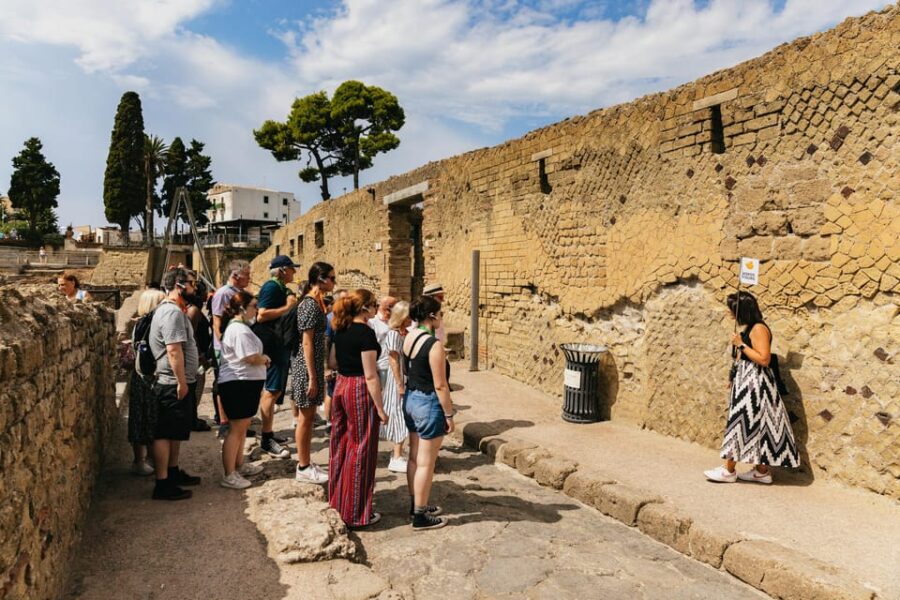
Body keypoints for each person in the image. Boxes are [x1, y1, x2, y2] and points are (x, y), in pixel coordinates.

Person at [705, 291, 799, 484]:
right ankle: (761, 472)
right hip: (746, 381)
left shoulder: (759, 329)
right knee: (758, 426)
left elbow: (763, 359)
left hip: (755, 384)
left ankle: (729, 470)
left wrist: (740, 345)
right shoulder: (749, 328)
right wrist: (733, 376)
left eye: (732, 308)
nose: (729, 312)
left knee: (741, 423)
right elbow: (744, 358)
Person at [328, 289, 388, 528]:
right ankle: (355, 512)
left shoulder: (341, 329)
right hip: (359, 388)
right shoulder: (365, 333)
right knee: (362, 447)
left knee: (340, 443)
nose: (375, 309)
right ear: (365, 308)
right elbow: (371, 375)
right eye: (373, 305)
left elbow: (332, 361)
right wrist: (381, 409)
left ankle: (338, 502)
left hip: (341, 385)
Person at [148, 268, 202, 500]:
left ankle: (172, 472)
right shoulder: (172, 313)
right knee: (165, 432)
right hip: (171, 383)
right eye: (191, 283)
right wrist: (181, 382)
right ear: (179, 285)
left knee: (175, 433)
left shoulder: (173, 311)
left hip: (176, 382)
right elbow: (173, 350)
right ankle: (162, 484)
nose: (194, 288)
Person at [403, 295, 453, 530]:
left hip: (411, 400)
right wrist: (449, 415)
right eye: (440, 314)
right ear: (432, 316)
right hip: (428, 403)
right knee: (426, 463)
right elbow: (440, 385)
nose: (442, 317)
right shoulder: (434, 345)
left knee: (414, 456)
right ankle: (421, 516)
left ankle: (416, 504)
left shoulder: (410, 337)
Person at [217, 291, 268, 489]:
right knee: (236, 430)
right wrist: (264, 359)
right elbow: (249, 357)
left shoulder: (241, 327)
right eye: (253, 305)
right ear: (241, 308)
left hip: (244, 383)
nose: (256, 309)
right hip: (238, 383)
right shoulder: (238, 330)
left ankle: (238, 465)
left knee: (242, 428)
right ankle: (229, 474)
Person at [291, 262, 335, 485]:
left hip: (313, 366)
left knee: (307, 418)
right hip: (307, 367)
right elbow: (307, 342)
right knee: (305, 419)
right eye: (332, 278)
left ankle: (306, 462)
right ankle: (303, 466)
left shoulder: (316, 301)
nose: (334, 283)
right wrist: (313, 376)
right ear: (321, 279)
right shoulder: (309, 305)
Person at [255, 255, 299, 459]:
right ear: (282, 270)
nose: (294, 272)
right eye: (291, 268)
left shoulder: (280, 287)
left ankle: (269, 432)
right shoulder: (271, 287)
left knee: (276, 390)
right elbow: (261, 315)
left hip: (279, 344)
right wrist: (288, 307)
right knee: (271, 391)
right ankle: (266, 438)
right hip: (273, 344)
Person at [127, 288, 166, 476]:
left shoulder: (140, 323)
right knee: (146, 418)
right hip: (148, 376)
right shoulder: (150, 324)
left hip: (140, 374)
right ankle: (141, 461)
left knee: (143, 417)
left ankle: (146, 459)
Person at [211, 260, 251, 437]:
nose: (249, 278)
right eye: (247, 275)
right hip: (226, 348)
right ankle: (225, 422)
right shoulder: (223, 294)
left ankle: (237, 421)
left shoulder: (239, 293)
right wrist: (226, 346)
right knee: (225, 384)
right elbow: (217, 323)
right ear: (235, 275)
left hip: (237, 346)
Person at [381, 300, 411, 473]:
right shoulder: (393, 334)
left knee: (402, 413)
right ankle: (397, 455)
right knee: (398, 414)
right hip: (396, 378)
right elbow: (393, 361)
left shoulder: (404, 333)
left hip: (403, 377)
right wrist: (399, 384)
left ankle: (399, 452)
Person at [324, 289, 348, 433]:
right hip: (334, 363)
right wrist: (326, 367)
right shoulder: (330, 318)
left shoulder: (347, 317)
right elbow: (325, 343)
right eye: (345, 299)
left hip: (345, 362)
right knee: (331, 392)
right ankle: (329, 422)